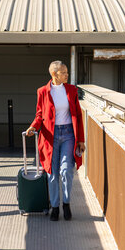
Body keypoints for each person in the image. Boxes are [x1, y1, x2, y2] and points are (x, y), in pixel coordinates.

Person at [26, 61, 86, 221]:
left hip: (68, 134)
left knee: (66, 170)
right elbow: (40, 115)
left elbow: (78, 115)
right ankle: (55, 207)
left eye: (67, 72)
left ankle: (66, 204)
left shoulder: (72, 90)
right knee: (51, 174)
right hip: (50, 136)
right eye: (64, 73)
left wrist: (81, 139)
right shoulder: (42, 92)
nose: (67, 75)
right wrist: (33, 127)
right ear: (55, 74)